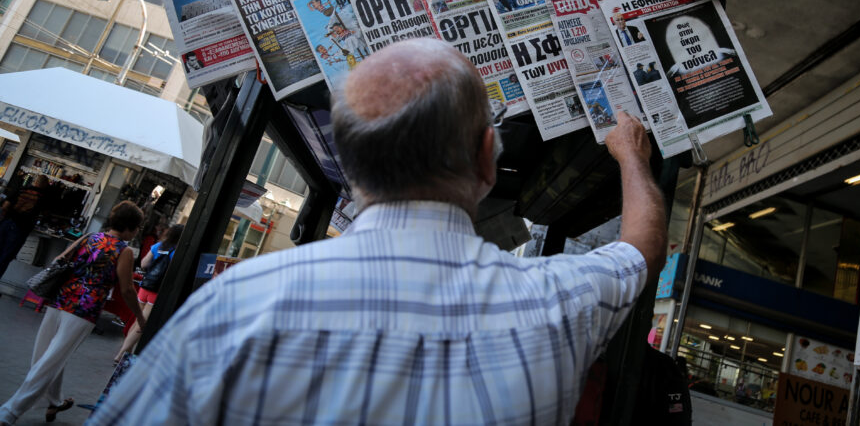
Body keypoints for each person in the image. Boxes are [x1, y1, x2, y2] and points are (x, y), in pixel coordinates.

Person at [91, 39, 666, 425]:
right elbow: (641, 248)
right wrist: (630, 156)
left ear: (351, 165)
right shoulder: (561, 300)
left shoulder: (233, 309)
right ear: (488, 159)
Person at [0, 201, 146, 425]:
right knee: (50, 361)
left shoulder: (89, 237)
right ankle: (9, 413)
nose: (136, 233)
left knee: (45, 357)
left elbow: (60, 260)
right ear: (129, 227)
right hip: (84, 310)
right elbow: (127, 289)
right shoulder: (123, 251)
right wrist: (139, 315)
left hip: (60, 300)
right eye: (137, 228)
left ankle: (55, 401)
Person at [114, 224, 184, 363]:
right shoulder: (177, 251)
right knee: (142, 324)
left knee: (136, 321)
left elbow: (144, 264)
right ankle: (120, 354)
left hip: (145, 287)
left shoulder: (159, 245)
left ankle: (126, 351)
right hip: (157, 291)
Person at [0, 175, 50, 281]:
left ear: (35, 182)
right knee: (5, 258)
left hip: (6, 223)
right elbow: (45, 214)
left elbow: (5, 205)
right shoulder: (43, 197)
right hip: (20, 229)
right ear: (45, 185)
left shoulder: (21, 189)